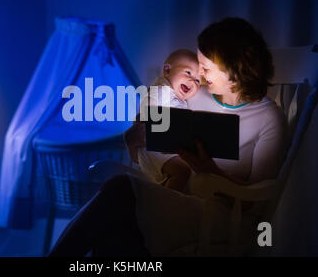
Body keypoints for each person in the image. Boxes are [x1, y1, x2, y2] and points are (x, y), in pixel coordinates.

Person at [48, 17, 286, 257]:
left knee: (120, 194)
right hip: (173, 197)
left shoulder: (267, 118)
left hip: (215, 215)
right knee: (116, 231)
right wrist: (137, 135)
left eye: (206, 67)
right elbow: (150, 137)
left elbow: (257, 197)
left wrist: (213, 172)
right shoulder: (190, 95)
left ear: (232, 69)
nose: (200, 75)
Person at [137, 49, 202, 192]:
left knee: (186, 173)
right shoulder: (162, 90)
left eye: (198, 80)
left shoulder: (178, 97)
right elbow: (147, 110)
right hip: (152, 147)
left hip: (164, 149)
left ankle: (169, 196)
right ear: (167, 70)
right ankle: (168, 203)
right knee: (182, 171)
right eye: (188, 73)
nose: (193, 81)